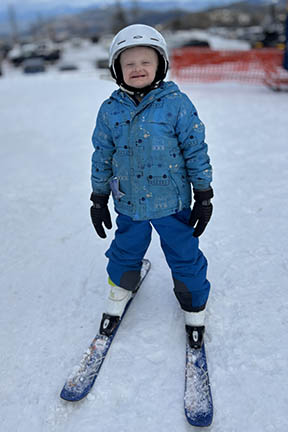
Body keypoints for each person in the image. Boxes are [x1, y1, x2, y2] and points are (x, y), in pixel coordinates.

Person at [90, 24, 213, 349]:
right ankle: (121, 287)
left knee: (183, 253)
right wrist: (99, 197)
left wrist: (203, 193)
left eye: (146, 61)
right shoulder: (110, 110)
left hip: (170, 203)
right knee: (125, 250)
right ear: (117, 69)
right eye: (129, 63)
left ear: (160, 65)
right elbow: (102, 155)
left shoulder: (177, 104)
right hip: (129, 203)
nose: (137, 69)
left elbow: (195, 149)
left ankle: (193, 301)